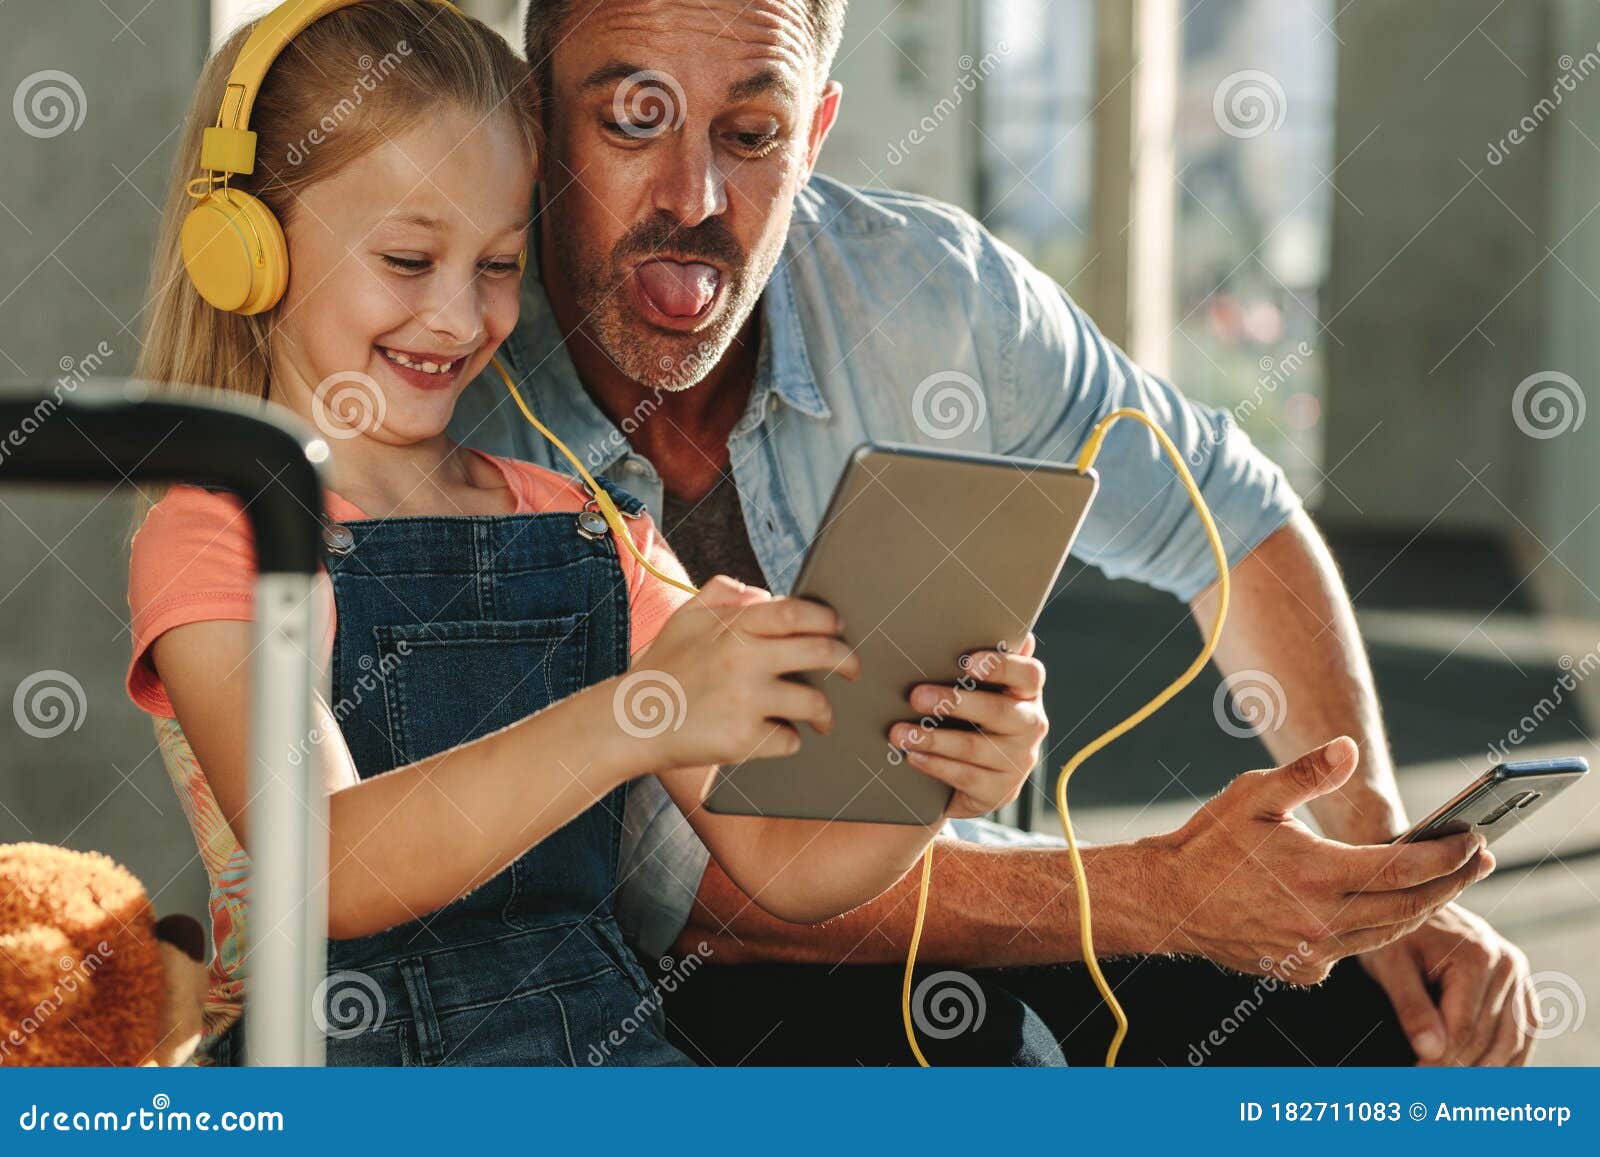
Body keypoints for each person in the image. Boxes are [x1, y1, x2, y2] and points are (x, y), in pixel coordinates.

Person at [447, 0, 1535, 1066]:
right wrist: (1164, 894)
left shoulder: (936, 297)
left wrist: (1364, 861)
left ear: (814, 134)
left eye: (751, 135)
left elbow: (1234, 520)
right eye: (634, 120)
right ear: (538, 121)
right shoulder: (444, 375)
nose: (693, 197)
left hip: (983, 889)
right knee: (971, 1054)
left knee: (1374, 1023)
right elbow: (697, 897)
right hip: (642, 968)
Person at [122, 0, 1049, 1066]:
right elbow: (333, 865)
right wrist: (634, 716)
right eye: (410, 260)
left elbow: (790, 869)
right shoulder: (221, 530)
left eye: (499, 264)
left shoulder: (585, 525)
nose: (459, 318)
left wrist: (929, 777)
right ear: (246, 250)